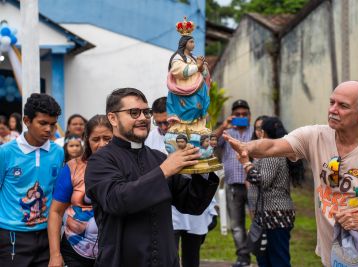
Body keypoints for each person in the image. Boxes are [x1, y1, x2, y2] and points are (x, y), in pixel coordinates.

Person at [224, 81, 358, 267]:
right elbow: (272, 145)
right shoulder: (314, 136)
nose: (333, 110)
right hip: (333, 260)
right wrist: (246, 147)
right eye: (332, 102)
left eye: (343, 106)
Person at [84, 88, 219, 266]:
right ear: (113, 118)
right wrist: (163, 171)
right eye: (134, 112)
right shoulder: (100, 161)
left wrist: (203, 165)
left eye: (146, 112)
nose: (142, 118)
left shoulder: (158, 158)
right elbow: (116, 200)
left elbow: (192, 204)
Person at [145, 97, 218, 267]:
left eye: (166, 123)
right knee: (168, 254)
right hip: (167, 205)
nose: (163, 128)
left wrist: (211, 204)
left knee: (192, 254)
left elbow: (205, 167)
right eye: (158, 123)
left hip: (191, 199)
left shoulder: (192, 136)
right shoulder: (148, 139)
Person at [0, 93, 64, 267]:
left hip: (48, 236)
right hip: (12, 237)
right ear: (27, 121)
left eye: (52, 124)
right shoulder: (5, 152)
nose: (48, 129)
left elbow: (58, 197)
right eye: (43, 123)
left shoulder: (58, 153)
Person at [48, 115, 113, 267]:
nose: (102, 144)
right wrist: (55, 255)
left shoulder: (125, 166)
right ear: (87, 140)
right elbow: (56, 212)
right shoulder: (72, 168)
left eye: (107, 138)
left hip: (114, 252)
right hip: (75, 252)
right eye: (96, 139)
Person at [241, 116, 304, 267]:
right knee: (265, 258)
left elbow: (263, 181)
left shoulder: (273, 154)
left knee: (277, 260)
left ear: (264, 133)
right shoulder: (270, 152)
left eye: (260, 131)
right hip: (268, 214)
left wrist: (246, 164)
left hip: (275, 215)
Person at [165, 17, 212, 158]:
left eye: (193, 41)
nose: (193, 44)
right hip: (183, 92)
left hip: (196, 90)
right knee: (191, 108)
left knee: (198, 108)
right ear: (185, 43)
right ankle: (183, 129)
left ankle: (196, 128)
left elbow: (203, 73)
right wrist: (196, 67)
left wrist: (203, 68)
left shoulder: (193, 58)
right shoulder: (177, 58)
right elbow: (178, 71)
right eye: (191, 41)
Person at [214, 99, 253, 267]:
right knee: (237, 225)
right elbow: (210, 141)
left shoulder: (256, 132)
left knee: (259, 222)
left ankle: (261, 253)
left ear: (250, 116)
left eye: (244, 114)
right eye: (237, 114)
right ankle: (243, 257)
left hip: (254, 184)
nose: (241, 117)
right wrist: (224, 125)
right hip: (233, 185)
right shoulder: (226, 133)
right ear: (232, 116)